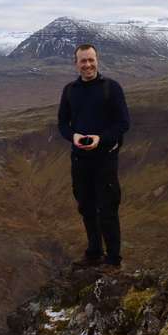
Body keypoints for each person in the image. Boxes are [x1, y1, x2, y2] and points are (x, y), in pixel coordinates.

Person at [58, 44, 130, 267]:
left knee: (107, 208)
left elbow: (123, 123)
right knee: (86, 206)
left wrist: (102, 138)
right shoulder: (70, 90)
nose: (87, 65)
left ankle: (113, 260)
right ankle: (94, 252)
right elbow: (62, 123)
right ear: (76, 63)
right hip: (80, 160)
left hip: (105, 160)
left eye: (91, 60)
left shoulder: (112, 88)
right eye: (83, 61)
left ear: (97, 60)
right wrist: (74, 136)